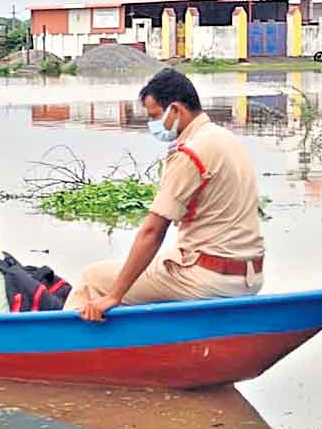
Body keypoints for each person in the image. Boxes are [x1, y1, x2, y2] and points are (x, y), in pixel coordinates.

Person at [66, 68, 265, 321]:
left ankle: (57, 350)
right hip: (250, 276)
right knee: (148, 270)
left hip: (209, 278)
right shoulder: (226, 139)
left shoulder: (191, 153)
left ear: (175, 109)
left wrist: (114, 295)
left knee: (92, 279)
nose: (152, 125)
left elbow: (152, 232)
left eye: (154, 116)